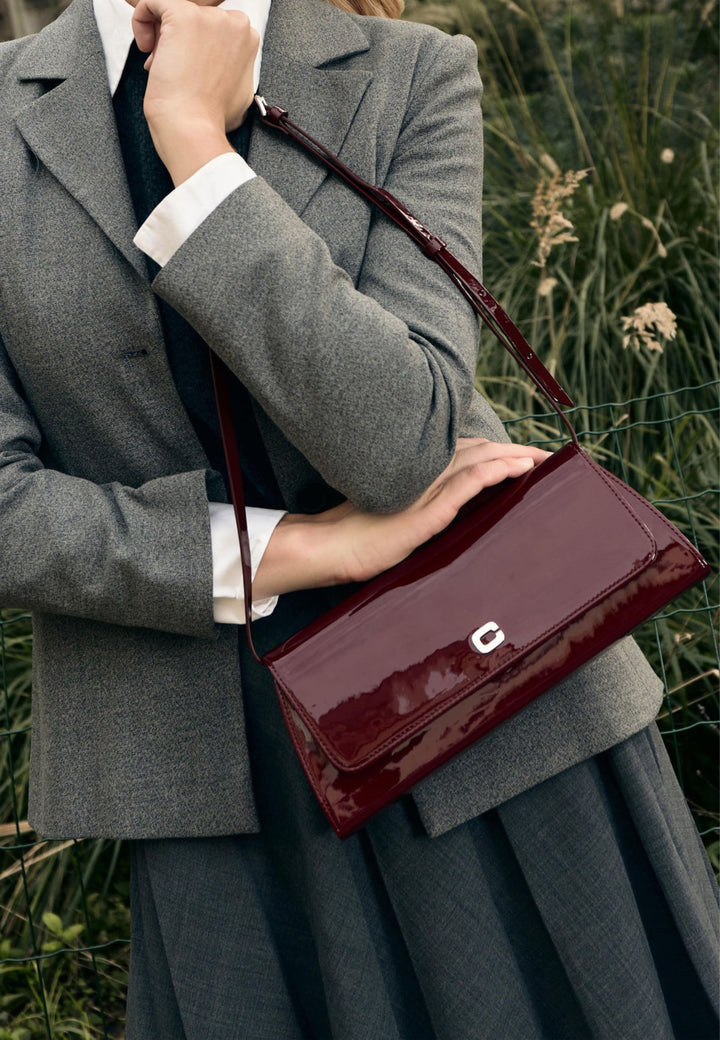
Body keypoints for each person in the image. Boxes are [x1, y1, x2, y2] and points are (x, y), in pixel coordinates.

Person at [0, 0, 717, 1035]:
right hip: (215, 789)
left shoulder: (408, 72)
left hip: (496, 713)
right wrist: (294, 550)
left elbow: (401, 442)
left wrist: (197, 150)